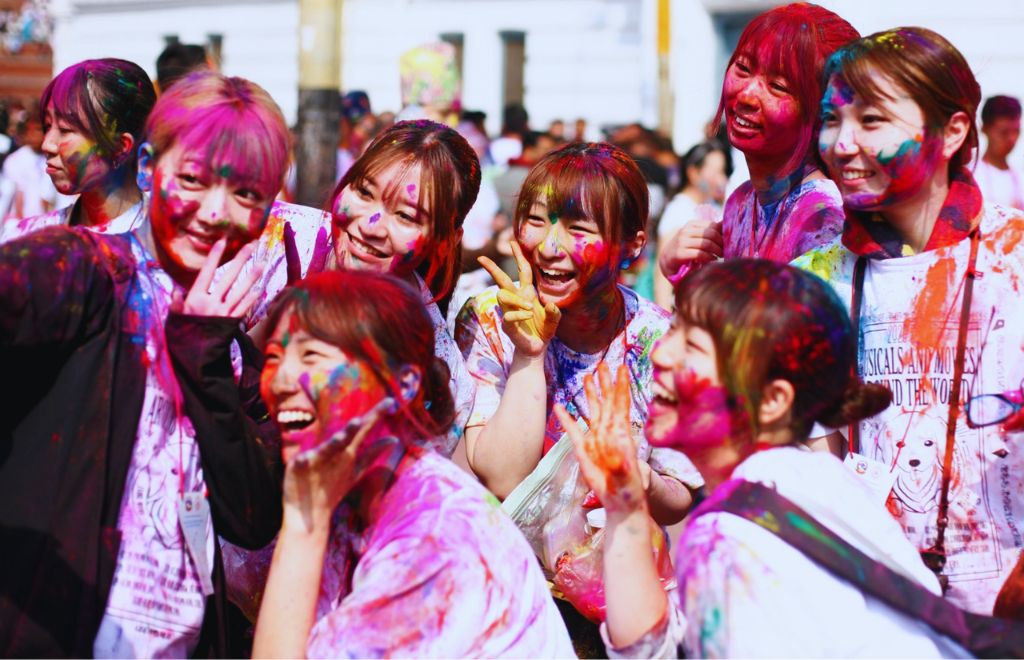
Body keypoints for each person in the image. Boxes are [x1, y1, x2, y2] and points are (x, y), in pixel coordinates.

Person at [0, 71, 290, 657]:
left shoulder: (230, 336)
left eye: (246, 195)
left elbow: (252, 516)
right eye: (193, 180)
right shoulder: (82, 267)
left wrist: (204, 354)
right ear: (152, 164)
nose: (215, 213)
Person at [564, 259, 968, 657]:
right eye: (672, 330)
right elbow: (657, 646)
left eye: (692, 347)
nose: (661, 356)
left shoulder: (738, 534)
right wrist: (625, 507)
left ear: (773, 401)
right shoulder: (805, 479)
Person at [795, 26, 1024, 616]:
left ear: (951, 131)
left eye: (871, 121)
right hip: (874, 616)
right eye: (831, 121)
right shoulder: (814, 280)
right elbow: (818, 467)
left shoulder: (1014, 259)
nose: (842, 145)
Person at [244, 270, 573, 658]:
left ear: (401, 384)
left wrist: (303, 523)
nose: (281, 380)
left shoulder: (435, 535)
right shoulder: (346, 491)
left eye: (311, 356)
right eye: (273, 357)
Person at [455, 142, 702, 649]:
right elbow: (501, 476)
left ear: (632, 246)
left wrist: (638, 479)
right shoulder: (488, 319)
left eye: (578, 229)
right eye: (538, 220)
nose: (548, 247)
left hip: (613, 606)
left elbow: (680, 497)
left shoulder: (659, 341)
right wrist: (529, 354)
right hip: (500, 601)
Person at [275, 119, 478, 458]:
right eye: (364, 192)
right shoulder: (269, 242)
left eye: (406, 217)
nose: (371, 227)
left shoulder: (435, 373)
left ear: (445, 241)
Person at [658, 3, 858, 282]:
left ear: (821, 111)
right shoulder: (740, 203)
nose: (747, 95)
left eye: (777, 86)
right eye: (742, 68)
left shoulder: (822, 220)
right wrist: (679, 270)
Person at [0, 59, 156, 242]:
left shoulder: (165, 251)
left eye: (65, 130)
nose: (47, 144)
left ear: (121, 146)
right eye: (47, 126)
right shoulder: (26, 241)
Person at [653, 140, 730, 309]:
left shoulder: (714, 205)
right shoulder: (678, 211)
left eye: (724, 172)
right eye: (717, 172)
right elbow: (662, 277)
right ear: (693, 173)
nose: (722, 179)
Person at [0, 112, 56, 222]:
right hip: (23, 224)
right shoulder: (15, 160)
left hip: (46, 221)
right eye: (31, 130)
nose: (34, 135)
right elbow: (15, 196)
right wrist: (23, 224)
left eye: (39, 130)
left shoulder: (51, 159)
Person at [974, 95, 1023, 210]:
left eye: (1016, 131)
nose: (1012, 139)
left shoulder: (1020, 178)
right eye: (1004, 132)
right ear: (984, 129)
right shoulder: (971, 175)